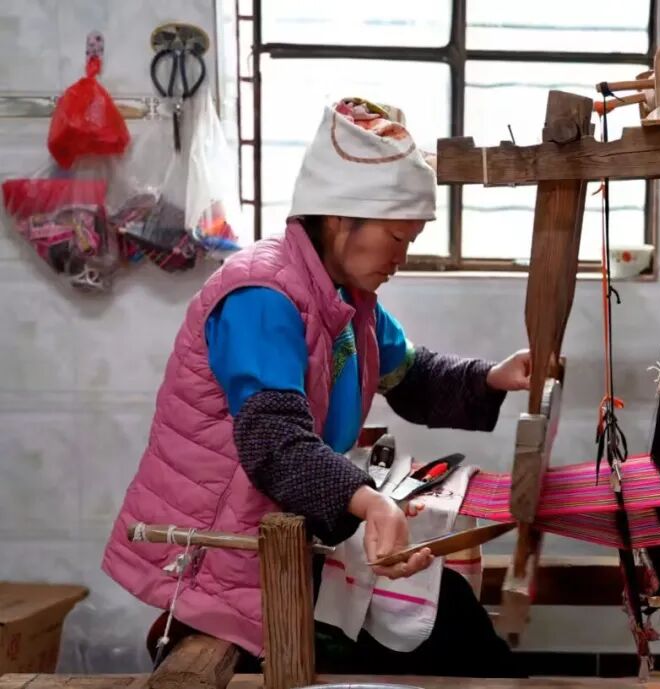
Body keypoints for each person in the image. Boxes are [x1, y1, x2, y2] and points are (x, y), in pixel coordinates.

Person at [101, 97, 529, 677]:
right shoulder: (261, 296)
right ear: (340, 219)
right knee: (444, 634)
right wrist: (369, 501)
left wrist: (494, 376)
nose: (402, 257)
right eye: (397, 237)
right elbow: (274, 443)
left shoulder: (348, 301)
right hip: (227, 553)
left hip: (287, 529)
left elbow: (411, 375)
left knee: (451, 618)